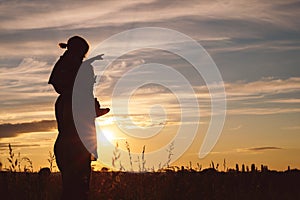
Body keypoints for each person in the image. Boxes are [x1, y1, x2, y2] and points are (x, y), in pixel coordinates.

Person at [48, 36, 109, 200]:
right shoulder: (72, 97)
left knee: (72, 190)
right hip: (77, 149)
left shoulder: (64, 100)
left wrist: (95, 110)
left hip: (71, 146)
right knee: (77, 190)